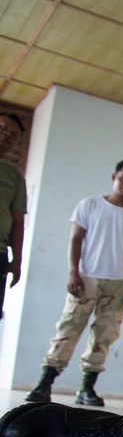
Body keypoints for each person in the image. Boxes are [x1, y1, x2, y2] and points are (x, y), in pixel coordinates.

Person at [23, 160, 123, 406]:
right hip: (86, 278)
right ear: (114, 176)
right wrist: (73, 272)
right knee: (69, 328)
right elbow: (75, 240)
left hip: (119, 283)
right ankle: (44, 384)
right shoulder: (90, 205)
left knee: (104, 336)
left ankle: (86, 388)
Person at [0, 112, 27, 322]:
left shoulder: (15, 177)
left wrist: (17, 260)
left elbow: (18, 221)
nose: (6, 135)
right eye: (3, 127)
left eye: (13, 134)